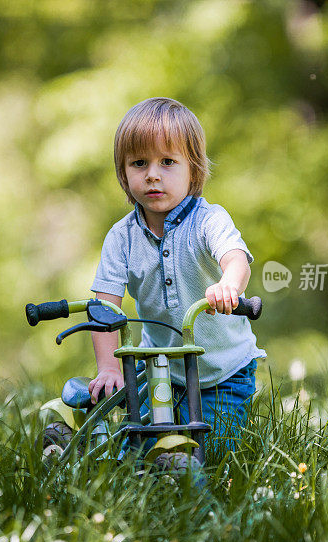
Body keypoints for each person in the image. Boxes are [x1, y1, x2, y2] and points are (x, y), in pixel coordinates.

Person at [87, 97, 266, 455]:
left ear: (193, 170)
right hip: (160, 367)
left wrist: (229, 285)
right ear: (124, 174)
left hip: (222, 371)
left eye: (168, 162)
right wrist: (108, 367)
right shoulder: (121, 238)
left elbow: (236, 259)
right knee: (142, 449)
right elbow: (103, 304)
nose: (153, 174)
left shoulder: (209, 221)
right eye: (140, 163)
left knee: (212, 454)